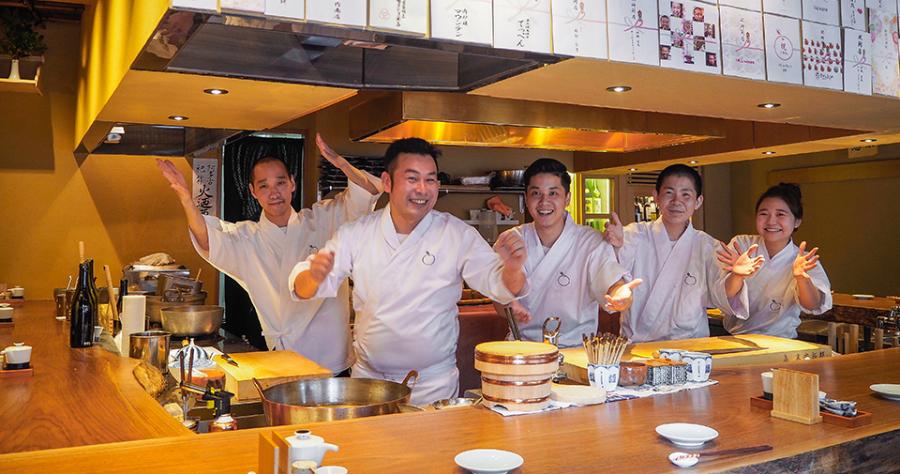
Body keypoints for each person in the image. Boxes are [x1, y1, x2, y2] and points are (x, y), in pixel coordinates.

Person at [290, 138, 527, 405]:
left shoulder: (456, 234)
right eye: (412, 179)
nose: (422, 189)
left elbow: (500, 284)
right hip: (370, 383)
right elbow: (302, 288)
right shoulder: (356, 233)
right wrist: (313, 276)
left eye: (430, 179)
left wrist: (513, 268)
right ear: (388, 182)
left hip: (432, 385)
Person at [156, 134, 382, 375]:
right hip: (284, 360)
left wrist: (341, 163)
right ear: (253, 191)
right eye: (264, 185)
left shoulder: (324, 219)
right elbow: (206, 238)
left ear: (292, 183)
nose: (274, 193)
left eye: (280, 183)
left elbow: (366, 192)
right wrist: (185, 198)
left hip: (333, 360)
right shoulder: (246, 239)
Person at [493, 159, 641, 347]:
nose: (544, 201)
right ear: (526, 198)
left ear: (568, 198)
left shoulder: (590, 241)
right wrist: (508, 303)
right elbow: (499, 305)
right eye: (536, 193)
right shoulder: (511, 240)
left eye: (553, 193)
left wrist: (621, 294)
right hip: (524, 350)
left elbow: (611, 281)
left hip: (576, 350)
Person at [604, 164, 749, 342]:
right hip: (639, 347)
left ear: (698, 201)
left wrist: (737, 276)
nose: (676, 201)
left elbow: (722, 294)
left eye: (686, 195)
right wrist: (616, 245)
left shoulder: (707, 246)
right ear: (656, 197)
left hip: (691, 346)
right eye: (669, 193)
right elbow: (612, 273)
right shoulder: (633, 235)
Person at [716, 183, 831, 338]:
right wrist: (737, 275)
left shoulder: (803, 260)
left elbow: (813, 304)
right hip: (736, 338)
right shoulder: (742, 245)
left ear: (797, 221)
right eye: (764, 214)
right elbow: (723, 295)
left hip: (782, 340)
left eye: (780, 214)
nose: (771, 221)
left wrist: (801, 279)